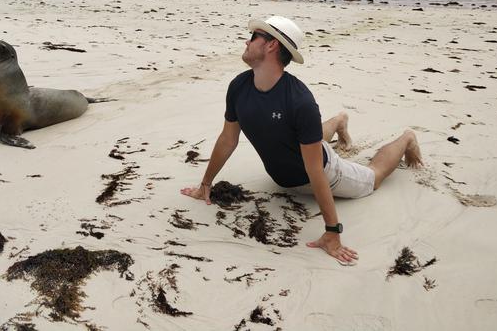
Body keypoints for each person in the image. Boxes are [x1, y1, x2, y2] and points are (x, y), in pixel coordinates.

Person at [180, 15, 423, 265]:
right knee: (306, 136)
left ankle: (406, 139)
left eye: (254, 37)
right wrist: (205, 184)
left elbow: (315, 169)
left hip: (325, 172)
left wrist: (332, 231)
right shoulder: (239, 86)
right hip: (284, 175)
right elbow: (228, 139)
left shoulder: (300, 102)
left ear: (272, 45)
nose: (246, 41)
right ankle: (339, 121)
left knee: (373, 177)